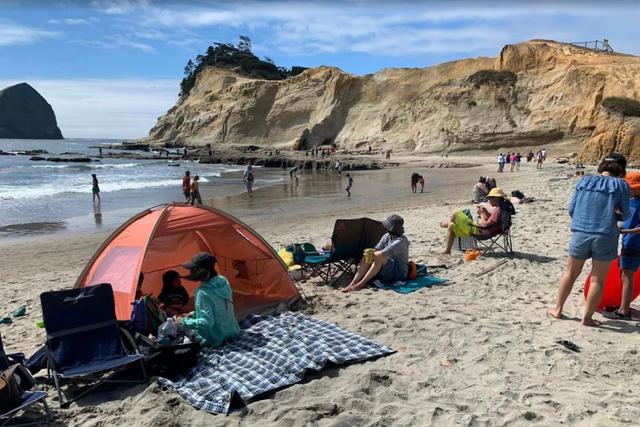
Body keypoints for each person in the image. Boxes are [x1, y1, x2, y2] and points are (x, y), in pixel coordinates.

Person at [548, 154, 630, 326]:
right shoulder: (621, 185)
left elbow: (571, 209)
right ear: (622, 169)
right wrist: (614, 212)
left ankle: (558, 309)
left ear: (602, 166)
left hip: (580, 232)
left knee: (570, 274)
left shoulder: (584, 181)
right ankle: (587, 318)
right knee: (598, 279)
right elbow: (625, 214)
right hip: (605, 235)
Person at [178, 252, 240, 347]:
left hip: (215, 339)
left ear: (201, 271)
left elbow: (206, 323)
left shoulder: (203, 292)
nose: (190, 272)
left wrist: (183, 321)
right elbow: (219, 309)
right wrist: (195, 314)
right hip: (232, 331)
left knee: (179, 332)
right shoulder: (223, 281)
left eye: (193, 270)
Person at [342, 214, 410, 292]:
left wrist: (371, 254)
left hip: (399, 273)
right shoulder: (387, 236)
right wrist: (368, 254)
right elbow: (377, 248)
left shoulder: (400, 241)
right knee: (368, 256)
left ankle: (360, 284)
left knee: (378, 256)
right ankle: (352, 283)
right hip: (387, 267)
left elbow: (383, 253)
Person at [442, 187, 507, 254]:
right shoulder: (502, 209)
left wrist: (480, 217)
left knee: (456, 213)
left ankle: (444, 224)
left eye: (490, 198)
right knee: (451, 225)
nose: (489, 200)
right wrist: (484, 212)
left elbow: (485, 225)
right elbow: (491, 220)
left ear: (496, 198)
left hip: (481, 232)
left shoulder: (497, 210)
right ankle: (447, 251)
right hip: (487, 230)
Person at [617, 172, 640, 319]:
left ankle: (624, 310)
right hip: (628, 241)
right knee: (624, 273)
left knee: (627, 275)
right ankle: (622, 305)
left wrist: (624, 231)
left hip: (633, 242)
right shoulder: (632, 200)